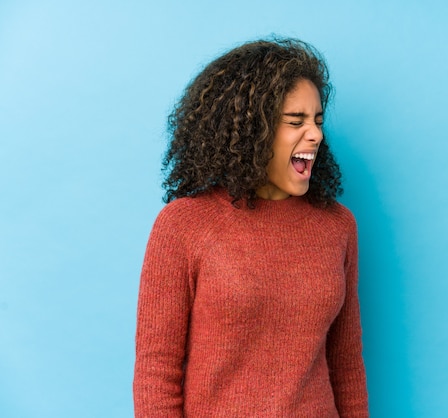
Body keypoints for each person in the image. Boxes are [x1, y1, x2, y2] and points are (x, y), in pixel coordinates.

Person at [133, 37, 369, 417]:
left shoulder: (337, 226)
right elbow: (156, 373)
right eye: (296, 121)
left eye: (318, 121)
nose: (316, 135)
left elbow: (347, 367)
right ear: (249, 130)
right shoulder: (184, 226)